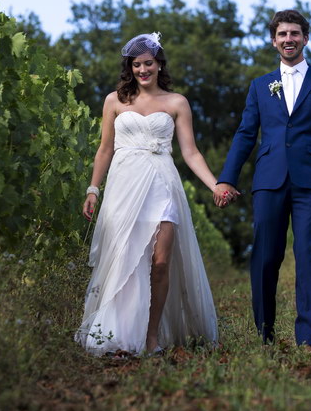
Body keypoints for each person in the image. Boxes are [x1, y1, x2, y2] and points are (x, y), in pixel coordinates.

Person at [75, 33, 229, 356]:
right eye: (136, 65)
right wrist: (93, 189)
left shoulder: (177, 103)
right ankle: (117, 330)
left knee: (160, 262)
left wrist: (215, 184)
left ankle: (152, 335)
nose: (142, 70)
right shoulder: (114, 101)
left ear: (159, 64)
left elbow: (191, 153)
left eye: (148, 63)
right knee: (126, 260)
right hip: (124, 187)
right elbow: (104, 150)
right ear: (129, 68)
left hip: (162, 184)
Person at [214, 10, 311, 348]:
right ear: (274, 40)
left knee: (309, 259)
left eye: (295, 33)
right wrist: (227, 178)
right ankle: (265, 336)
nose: (289, 39)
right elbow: (246, 134)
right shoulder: (260, 86)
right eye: (282, 34)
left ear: (305, 38)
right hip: (269, 181)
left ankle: (306, 341)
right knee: (265, 258)